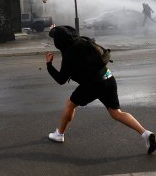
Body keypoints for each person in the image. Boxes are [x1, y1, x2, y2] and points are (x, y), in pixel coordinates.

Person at [46, 25, 155, 154]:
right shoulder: (82, 41)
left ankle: (59, 134)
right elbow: (64, 33)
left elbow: (61, 80)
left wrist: (49, 65)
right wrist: (56, 29)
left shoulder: (69, 53)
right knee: (117, 112)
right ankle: (146, 134)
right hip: (108, 77)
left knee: (70, 105)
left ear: (59, 41)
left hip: (92, 85)